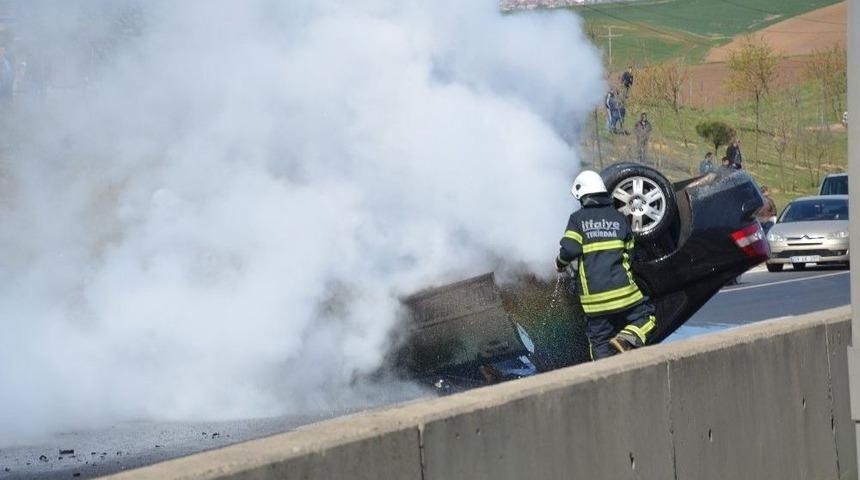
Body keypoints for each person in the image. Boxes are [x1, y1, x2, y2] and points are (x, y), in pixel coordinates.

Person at [555, 170, 658, 359]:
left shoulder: (577, 219)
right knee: (646, 317)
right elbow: (630, 254)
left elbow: (569, 249)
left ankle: (603, 373)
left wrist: (559, 264)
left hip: (594, 302)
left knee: (599, 341)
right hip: (623, 294)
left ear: (582, 195)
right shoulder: (619, 218)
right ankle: (627, 338)